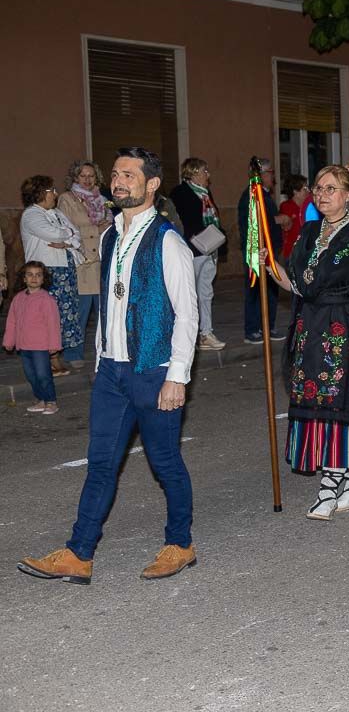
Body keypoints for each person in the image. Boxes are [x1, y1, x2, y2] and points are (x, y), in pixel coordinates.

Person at [19, 146, 200, 584]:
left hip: (153, 370)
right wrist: (100, 357)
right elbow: (110, 304)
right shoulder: (109, 235)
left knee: (165, 461)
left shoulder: (168, 240)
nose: (118, 182)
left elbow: (188, 313)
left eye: (129, 176)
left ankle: (180, 543)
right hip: (112, 372)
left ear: (152, 184)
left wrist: (177, 376)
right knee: (100, 462)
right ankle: (79, 553)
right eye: (115, 175)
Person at [272, 164, 349, 519]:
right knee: (320, 410)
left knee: (343, 411)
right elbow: (298, 285)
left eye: (329, 189)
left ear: (347, 194)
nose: (321, 195)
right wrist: (267, 266)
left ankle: (330, 486)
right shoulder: (309, 233)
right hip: (313, 332)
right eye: (318, 189)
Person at [20, 174, 82, 377]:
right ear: (40, 193)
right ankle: (47, 359)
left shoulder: (56, 213)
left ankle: (56, 356)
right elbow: (56, 234)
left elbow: (77, 234)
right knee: (47, 317)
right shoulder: (31, 215)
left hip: (64, 269)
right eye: (51, 191)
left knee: (63, 317)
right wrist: (67, 234)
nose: (55, 194)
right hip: (46, 272)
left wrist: (67, 237)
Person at [55, 160, 109, 367]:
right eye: (83, 176)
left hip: (101, 261)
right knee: (80, 312)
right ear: (75, 178)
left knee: (105, 311)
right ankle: (73, 353)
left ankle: (106, 350)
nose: (87, 180)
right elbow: (68, 231)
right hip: (82, 261)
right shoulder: (66, 199)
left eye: (91, 176)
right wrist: (97, 230)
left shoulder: (102, 199)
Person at [171, 157, 227, 352]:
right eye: (204, 171)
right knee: (187, 294)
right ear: (193, 172)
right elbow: (184, 222)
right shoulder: (180, 192)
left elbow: (214, 218)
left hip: (210, 248)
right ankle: (186, 335)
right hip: (192, 249)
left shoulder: (205, 193)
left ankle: (206, 333)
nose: (208, 175)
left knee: (206, 292)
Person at [237, 157, 289, 344]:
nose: (273, 177)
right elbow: (256, 221)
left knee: (270, 288)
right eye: (271, 173)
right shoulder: (252, 194)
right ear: (263, 174)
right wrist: (279, 219)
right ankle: (253, 329)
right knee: (254, 289)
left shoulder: (265, 194)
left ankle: (267, 326)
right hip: (256, 250)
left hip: (268, 249)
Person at [3, 261, 62, 414]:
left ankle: (51, 401)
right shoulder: (18, 298)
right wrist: (9, 340)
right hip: (24, 346)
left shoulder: (46, 300)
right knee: (31, 376)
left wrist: (54, 344)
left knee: (43, 375)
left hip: (41, 346)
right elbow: (12, 321)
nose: (34, 278)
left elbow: (53, 323)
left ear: (43, 279)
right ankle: (41, 399)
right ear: (24, 278)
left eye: (38, 275)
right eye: (30, 275)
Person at [278, 174, 311, 259]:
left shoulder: (308, 207)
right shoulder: (286, 206)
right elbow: (286, 227)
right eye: (305, 189)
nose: (308, 191)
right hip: (291, 254)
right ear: (295, 191)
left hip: (305, 252)